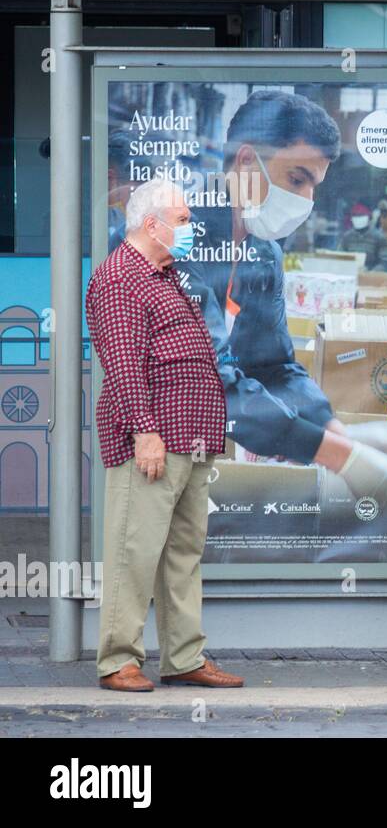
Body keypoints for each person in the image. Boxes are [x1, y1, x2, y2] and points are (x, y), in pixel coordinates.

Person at [156, 90, 387, 561]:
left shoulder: (261, 249)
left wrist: (332, 426)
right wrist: (337, 454)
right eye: (297, 179)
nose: (305, 200)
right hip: (164, 449)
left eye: (314, 185)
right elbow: (212, 381)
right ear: (245, 161)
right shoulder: (182, 241)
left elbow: (273, 363)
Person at [85, 178, 244, 692]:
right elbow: (124, 364)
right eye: (181, 219)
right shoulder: (119, 277)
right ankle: (117, 660)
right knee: (134, 550)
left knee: (182, 554)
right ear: (151, 224)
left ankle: (183, 657)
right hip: (154, 440)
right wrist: (144, 431)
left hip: (189, 437)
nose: (190, 227)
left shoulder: (163, 274)